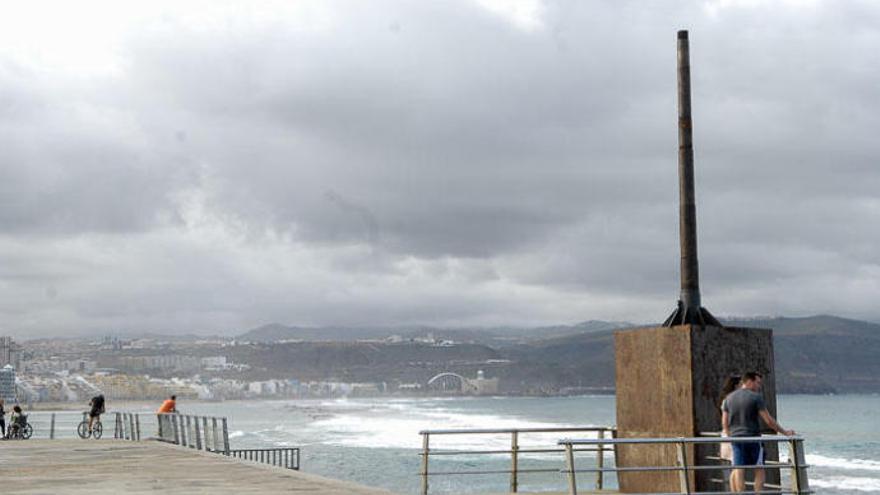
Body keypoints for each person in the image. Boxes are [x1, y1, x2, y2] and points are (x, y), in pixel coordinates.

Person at [722, 371, 794, 493]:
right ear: (749, 381)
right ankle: (758, 493)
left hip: (736, 439)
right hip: (753, 438)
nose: (759, 386)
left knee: (739, 469)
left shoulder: (728, 399)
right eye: (758, 383)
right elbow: (768, 420)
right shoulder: (756, 398)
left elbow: (724, 422)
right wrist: (784, 432)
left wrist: (730, 435)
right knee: (759, 468)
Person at [718, 375, 741, 464]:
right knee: (735, 464)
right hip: (731, 434)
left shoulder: (726, 399)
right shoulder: (729, 400)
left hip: (729, 434)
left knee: (732, 464)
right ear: (735, 386)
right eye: (741, 384)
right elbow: (726, 420)